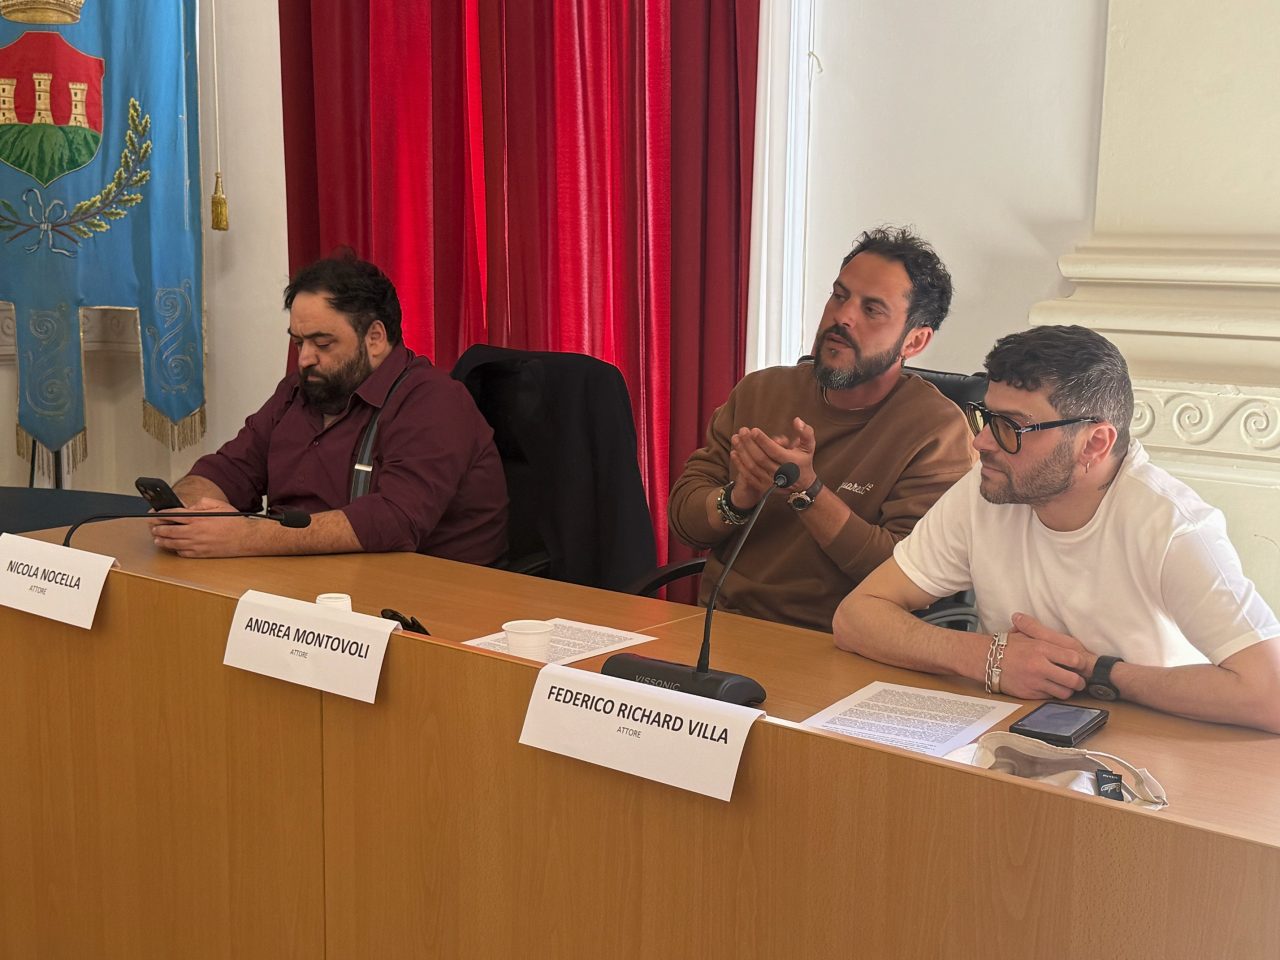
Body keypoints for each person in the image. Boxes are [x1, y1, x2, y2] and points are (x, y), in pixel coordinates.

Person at [833, 325, 1280, 733]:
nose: (981, 441)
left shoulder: (1174, 527)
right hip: (1013, 737)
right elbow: (856, 617)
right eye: (986, 416)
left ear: (1095, 443)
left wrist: (1097, 671)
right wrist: (987, 658)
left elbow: (1270, 695)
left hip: (1154, 750)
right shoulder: (987, 489)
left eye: (1011, 426)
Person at [668, 226, 974, 632]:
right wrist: (740, 496)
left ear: (914, 342)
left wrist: (808, 492)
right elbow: (684, 523)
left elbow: (908, 573)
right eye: (839, 295)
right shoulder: (761, 390)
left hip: (840, 643)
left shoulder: (937, 430)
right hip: (721, 627)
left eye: (872, 309)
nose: (842, 316)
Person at [151, 254, 508, 563]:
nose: (305, 358)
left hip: (424, 593)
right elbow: (227, 470)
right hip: (310, 582)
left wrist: (246, 537)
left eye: (322, 343)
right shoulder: (296, 391)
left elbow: (395, 520)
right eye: (298, 343)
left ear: (375, 338)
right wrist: (187, 510)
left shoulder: (434, 401)